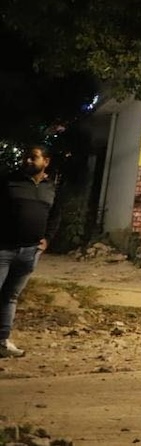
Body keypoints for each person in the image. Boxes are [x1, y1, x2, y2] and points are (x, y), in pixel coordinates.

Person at [0, 143, 61, 358]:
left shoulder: (50, 188)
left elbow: (55, 216)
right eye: (26, 157)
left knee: (10, 297)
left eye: (33, 157)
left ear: (46, 162)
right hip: (3, 249)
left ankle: (2, 342)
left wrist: (47, 240)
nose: (27, 160)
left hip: (29, 252)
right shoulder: (9, 181)